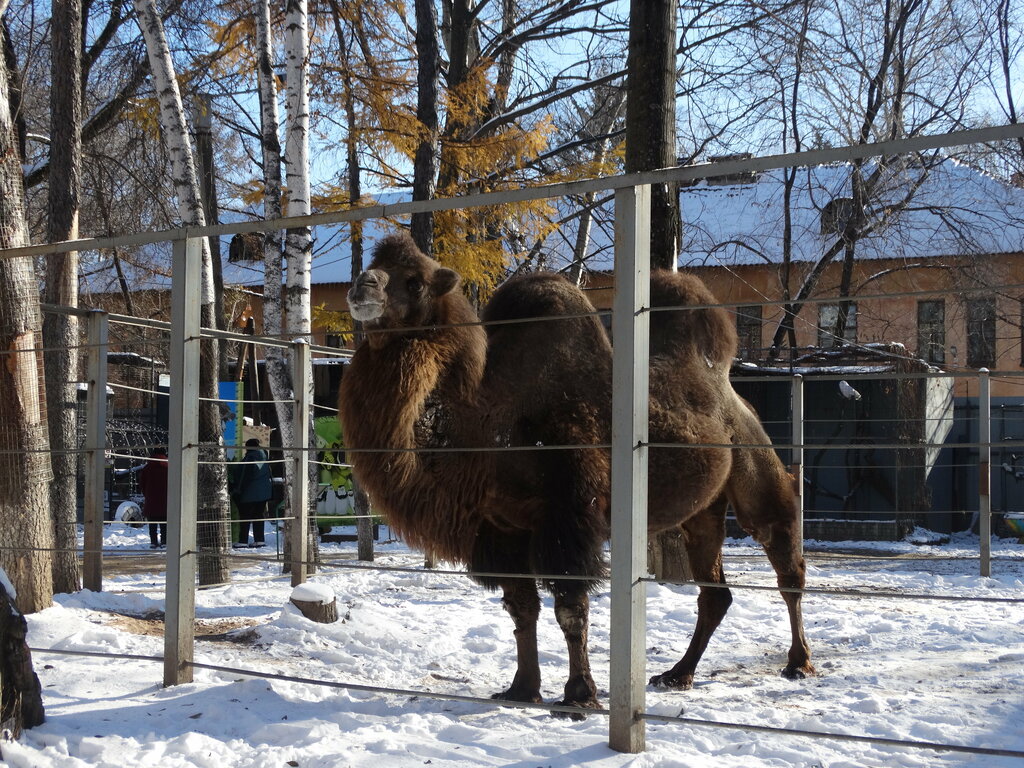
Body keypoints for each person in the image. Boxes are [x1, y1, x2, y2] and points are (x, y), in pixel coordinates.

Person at [231, 438, 272, 548]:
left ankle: (243, 541)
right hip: (264, 492)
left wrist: (237, 489)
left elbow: (244, 475)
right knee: (258, 515)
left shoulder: (250, 457)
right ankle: (259, 540)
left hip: (250, 492)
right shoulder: (264, 455)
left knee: (245, 516)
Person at [140, 448, 168, 549]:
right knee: (165, 524)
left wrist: (147, 495)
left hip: (151, 501)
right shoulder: (168, 467)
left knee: (152, 524)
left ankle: (153, 542)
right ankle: (164, 541)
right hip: (166, 501)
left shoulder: (147, 468)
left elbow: (142, 485)